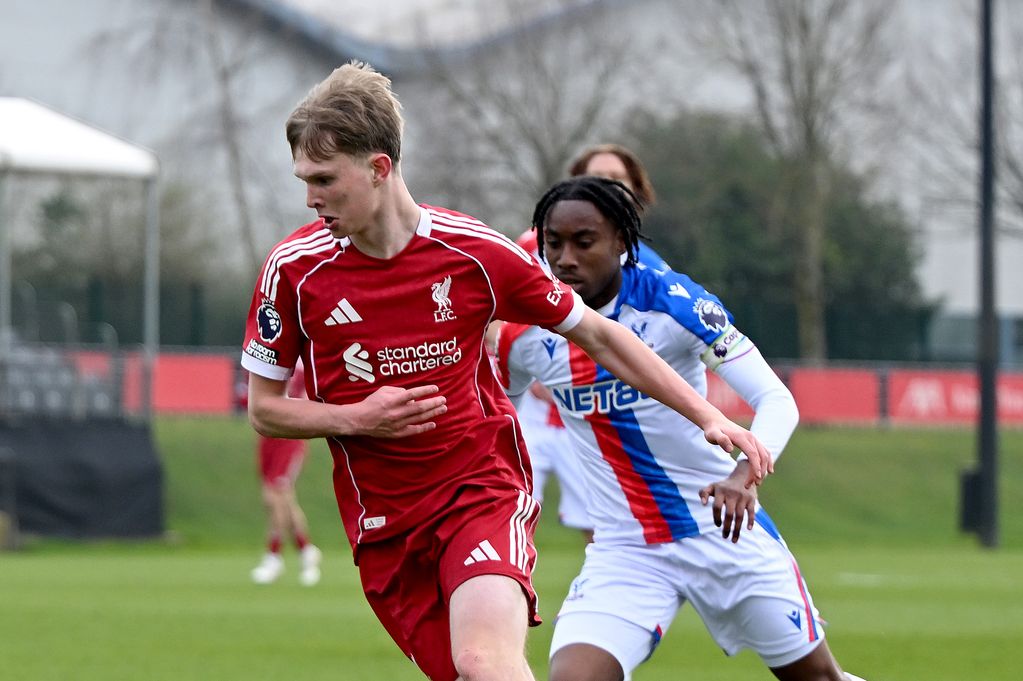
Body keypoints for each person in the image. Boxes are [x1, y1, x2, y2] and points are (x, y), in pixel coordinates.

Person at [240, 61, 771, 681]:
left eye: (325, 179)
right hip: (385, 524)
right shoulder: (294, 270)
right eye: (304, 179)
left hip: (481, 489)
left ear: (379, 167)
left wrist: (709, 416)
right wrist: (355, 417)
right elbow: (265, 408)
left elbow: (601, 335)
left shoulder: (473, 255)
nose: (310, 198)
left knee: (483, 662)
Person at [496, 176, 866, 681]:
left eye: (584, 243)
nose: (565, 259)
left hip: (723, 530)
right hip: (625, 548)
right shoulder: (525, 332)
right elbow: (496, 413)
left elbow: (776, 399)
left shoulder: (673, 303)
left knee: (818, 678)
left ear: (622, 243)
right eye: (553, 244)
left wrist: (744, 474)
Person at [246, 361, 322, 586]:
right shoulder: (269, 352)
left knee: (277, 494)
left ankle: (274, 555)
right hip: (268, 436)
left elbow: (310, 397)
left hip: (289, 436)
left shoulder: (304, 359)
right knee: (276, 498)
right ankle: (306, 550)